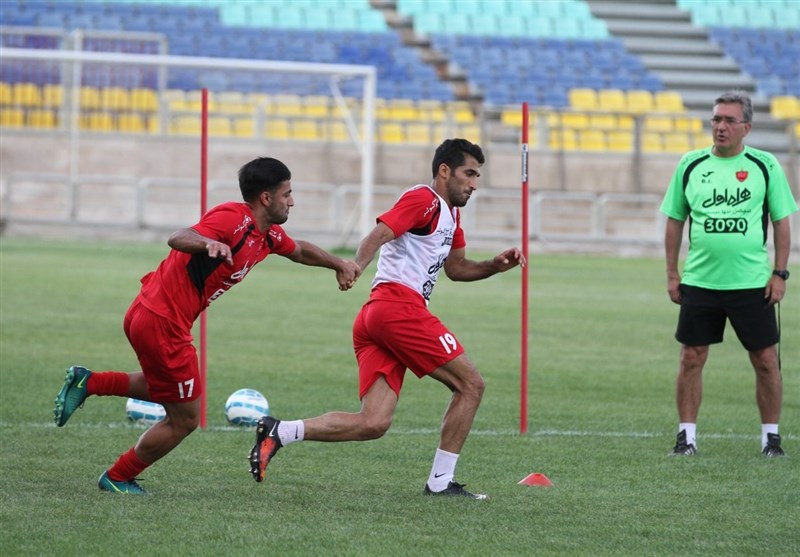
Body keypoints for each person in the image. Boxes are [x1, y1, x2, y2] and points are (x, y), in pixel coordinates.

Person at [53, 156, 361, 494]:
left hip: (151, 314)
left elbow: (299, 250)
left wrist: (338, 264)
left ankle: (89, 382)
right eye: (287, 194)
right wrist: (208, 243)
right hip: (164, 322)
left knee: (171, 390)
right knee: (185, 418)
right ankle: (117, 476)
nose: (292, 201)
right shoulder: (233, 218)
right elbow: (179, 237)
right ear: (266, 198)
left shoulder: (267, 235)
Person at [248, 138, 526, 499]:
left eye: (477, 176)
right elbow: (379, 233)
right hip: (398, 309)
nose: (474, 184)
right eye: (469, 174)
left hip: (377, 317)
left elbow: (457, 269)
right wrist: (355, 266)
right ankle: (440, 482)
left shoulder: (451, 214)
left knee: (374, 422)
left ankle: (280, 431)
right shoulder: (424, 200)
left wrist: (494, 266)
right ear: (444, 171)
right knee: (471, 385)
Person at [660, 90, 797, 457]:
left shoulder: (765, 166)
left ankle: (771, 438)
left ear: (746, 127)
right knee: (691, 358)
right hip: (700, 281)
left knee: (766, 361)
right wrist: (672, 273)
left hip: (752, 284)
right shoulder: (690, 164)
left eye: (729, 121)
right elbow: (675, 221)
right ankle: (686, 437)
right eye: (716, 119)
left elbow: (782, 222)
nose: (720, 127)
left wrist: (780, 273)